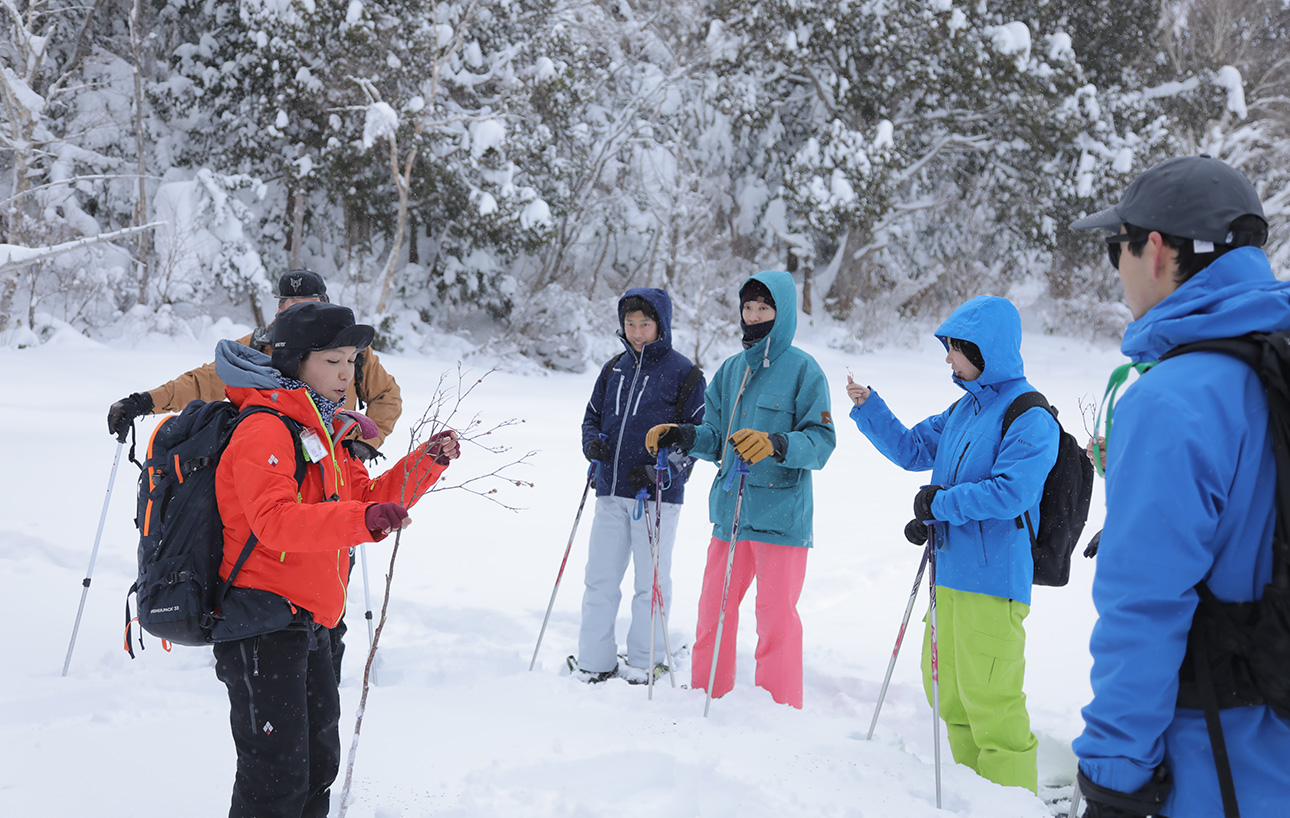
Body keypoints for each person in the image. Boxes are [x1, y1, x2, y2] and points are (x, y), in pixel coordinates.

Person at [1070, 155, 1290, 818]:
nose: (1118, 270)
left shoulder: (1172, 400)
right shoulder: (1273, 368)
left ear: (1156, 249)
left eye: (1119, 247)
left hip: (1213, 758)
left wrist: (1113, 781)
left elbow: (1143, 610)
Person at [209, 301, 459, 818]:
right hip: (262, 620)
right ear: (296, 361)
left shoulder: (326, 432)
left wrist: (425, 463)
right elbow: (273, 521)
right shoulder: (266, 429)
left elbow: (363, 503)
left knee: (317, 767)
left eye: (352, 361)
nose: (346, 373)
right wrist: (363, 523)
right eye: (332, 360)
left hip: (315, 620)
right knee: (274, 779)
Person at [846, 294, 1058, 794]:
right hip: (950, 574)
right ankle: (973, 795)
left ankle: (1013, 803)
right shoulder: (966, 408)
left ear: (984, 351)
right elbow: (914, 449)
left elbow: (1011, 492)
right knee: (950, 695)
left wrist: (938, 506)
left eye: (954, 349)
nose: (947, 359)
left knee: (992, 703)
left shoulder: (1030, 416)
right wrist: (869, 407)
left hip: (996, 579)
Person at [646, 270, 835, 709]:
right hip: (729, 513)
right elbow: (715, 434)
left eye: (763, 308)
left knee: (775, 620)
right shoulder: (732, 370)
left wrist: (777, 443)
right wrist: (686, 435)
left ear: (781, 312)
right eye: (748, 308)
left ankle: (778, 708)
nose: (753, 316)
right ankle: (707, 695)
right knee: (713, 613)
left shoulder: (804, 370)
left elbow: (822, 443)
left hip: (780, 515)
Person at [106, 269, 402, 456]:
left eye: (309, 305)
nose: (300, 315)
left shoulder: (352, 351)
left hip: (334, 462)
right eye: (291, 306)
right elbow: (201, 382)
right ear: (280, 308)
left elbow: (387, 395)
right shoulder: (256, 348)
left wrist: (363, 444)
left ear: (325, 303)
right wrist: (143, 402)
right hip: (268, 462)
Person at [571, 288, 706, 684]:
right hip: (611, 490)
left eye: (644, 324)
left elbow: (698, 435)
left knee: (650, 583)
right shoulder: (614, 368)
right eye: (629, 324)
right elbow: (592, 417)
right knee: (600, 578)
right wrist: (591, 444)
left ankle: (647, 660)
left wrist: (666, 469)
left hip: (656, 495)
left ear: (660, 326)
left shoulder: (685, 373)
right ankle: (594, 660)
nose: (636, 331)